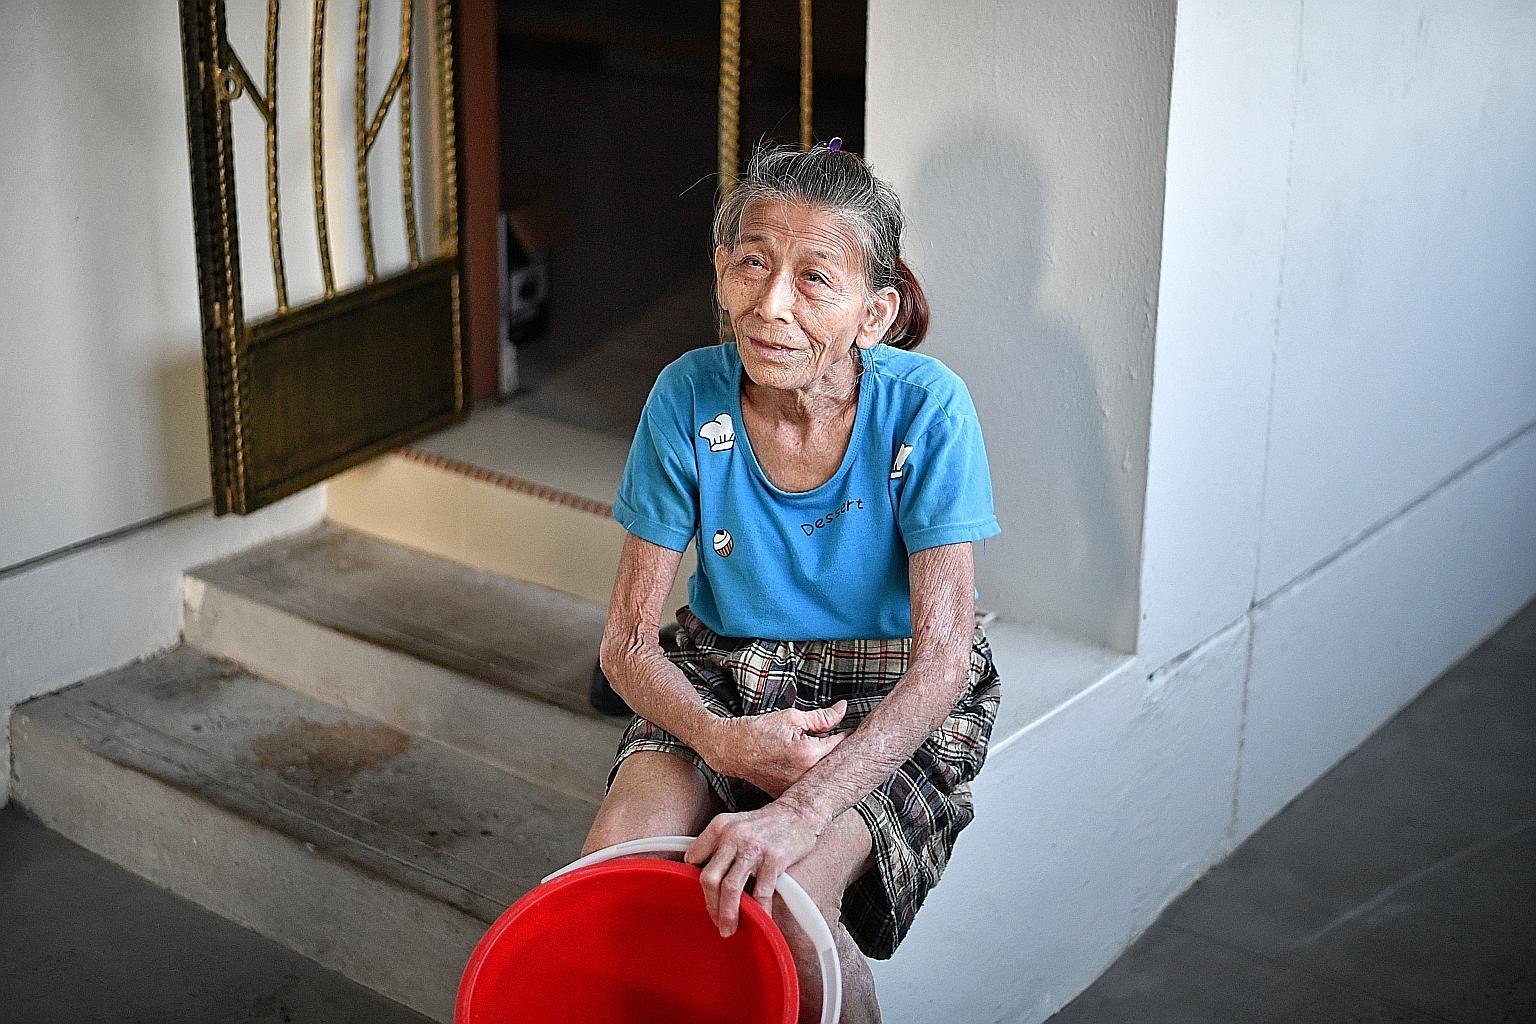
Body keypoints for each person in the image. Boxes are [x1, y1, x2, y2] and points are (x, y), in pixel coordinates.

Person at [582, 139, 1002, 1024]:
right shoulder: (686, 397)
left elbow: (942, 661)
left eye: (815, 279)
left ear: (873, 313)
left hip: (886, 686)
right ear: (721, 272)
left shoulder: (926, 408)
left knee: (782, 913)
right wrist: (721, 739)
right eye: (752, 264)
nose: (771, 307)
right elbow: (624, 645)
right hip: (723, 671)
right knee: (611, 877)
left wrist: (803, 808)